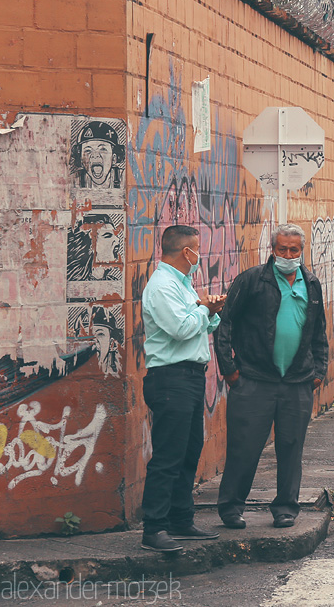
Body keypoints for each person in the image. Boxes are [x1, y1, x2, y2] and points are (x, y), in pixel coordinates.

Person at [214, 224, 328, 530]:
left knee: (291, 448)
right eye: (282, 249)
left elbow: (319, 332)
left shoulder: (312, 283)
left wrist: (319, 371)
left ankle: (286, 508)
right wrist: (230, 371)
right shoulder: (252, 280)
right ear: (272, 249)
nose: (288, 255)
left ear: (301, 251)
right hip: (253, 380)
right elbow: (225, 325)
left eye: (294, 250)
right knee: (245, 447)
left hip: (297, 382)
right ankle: (231, 508)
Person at [139, 225, 226, 553]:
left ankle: (180, 519)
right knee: (168, 455)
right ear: (185, 251)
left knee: (188, 452)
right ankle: (154, 528)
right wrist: (204, 310)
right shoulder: (162, 286)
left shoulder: (183, 283)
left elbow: (198, 324)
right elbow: (180, 328)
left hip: (190, 377)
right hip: (170, 379)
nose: (199, 255)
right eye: (196, 249)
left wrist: (210, 312)